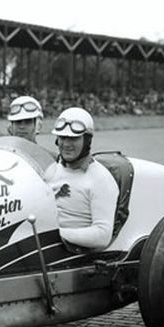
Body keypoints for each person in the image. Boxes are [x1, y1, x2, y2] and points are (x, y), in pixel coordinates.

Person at [45, 107, 119, 250]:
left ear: (87, 141)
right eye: (62, 137)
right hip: (44, 245)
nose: (66, 144)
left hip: (72, 253)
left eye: (73, 138)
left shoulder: (100, 179)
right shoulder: (52, 170)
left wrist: (54, 235)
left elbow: (102, 236)